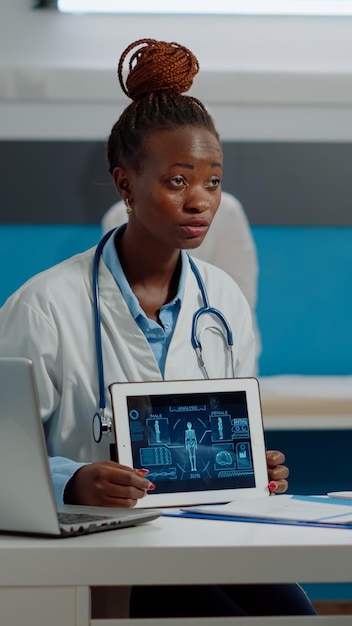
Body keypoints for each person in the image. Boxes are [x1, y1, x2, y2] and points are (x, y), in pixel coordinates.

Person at [0, 38, 316, 618]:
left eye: (213, 182)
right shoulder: (44, 305)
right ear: (126, 185)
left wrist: (246, 462)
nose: (200, 201)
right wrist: (73, 481)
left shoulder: (222, 301)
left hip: (210, 533)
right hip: (104, 548)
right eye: (177, 181)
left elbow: (224, 417)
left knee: (294, 617)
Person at [102, 184, 262, 365]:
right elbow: (121, 297)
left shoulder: (225, 211)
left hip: (219, 351)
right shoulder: (118, 216)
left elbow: (239, 294)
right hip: (141, 355)